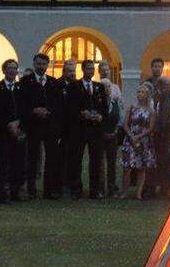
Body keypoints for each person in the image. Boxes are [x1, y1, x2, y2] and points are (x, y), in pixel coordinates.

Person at [20, 53, 62, 200]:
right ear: (34, 64)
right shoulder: (25, 82)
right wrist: (33, 110)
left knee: (51, 158)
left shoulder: (53, 83)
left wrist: (49, 112)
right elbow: (22, 104)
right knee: (32, 158)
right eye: (38, 64)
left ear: (47, 65)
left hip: (50, 126)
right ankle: (31, 189)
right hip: (33, 126)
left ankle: (48, 190)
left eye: (43, 64)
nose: (41, 67)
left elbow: (59, 104)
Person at [66, 59, 107, 198]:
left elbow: (104, 107)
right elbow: (70, 107)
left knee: (95, 160)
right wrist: (81, 114)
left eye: (92, 68)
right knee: (76, 160)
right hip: (79, 130)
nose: (91, 71)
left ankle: (94, 191)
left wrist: (100, 116)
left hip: (96, 130)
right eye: (88, 68)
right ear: (82, 70)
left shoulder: (99, 87)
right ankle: (76, 189)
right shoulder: (74, 86)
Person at [0, 59, 27, 202]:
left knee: (18, 163)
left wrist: (18, 123)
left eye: (14, 68)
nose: (12, 71)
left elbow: (26, 109)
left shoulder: (21, 88)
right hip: (2, 133)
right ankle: (2, 193)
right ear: (4, 70)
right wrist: (7, 124)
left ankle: (15, 191)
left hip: (18, 132)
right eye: (9, 68)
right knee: (3, 164)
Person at [120, 82, 157, 199]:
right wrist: (131, 136)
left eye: (143, 92)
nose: (140, 94)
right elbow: (125, 124)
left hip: (144, 140)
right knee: (127, 167)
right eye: (138, 92)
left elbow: (151, 127)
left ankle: (138, 193)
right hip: (130, 139)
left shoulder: (151, 111)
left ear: (147, 95)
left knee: (142, 167)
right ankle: (124, 192)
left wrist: (140, 136)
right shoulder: (131, 107)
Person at [99, 78, 122, 197]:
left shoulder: (115, 104)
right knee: (100, 163)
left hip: (113, 136)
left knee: (112, 164)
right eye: (103, 87)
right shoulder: (97, 103)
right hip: (100, 136)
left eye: (108, 87)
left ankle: (112, 189)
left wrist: (116, 131)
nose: (106, 89)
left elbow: (120, 119)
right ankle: (101, 189)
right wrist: (102, 132)